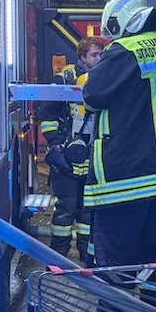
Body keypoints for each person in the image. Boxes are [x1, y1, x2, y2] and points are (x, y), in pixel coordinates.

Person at [81, 0, 156, 312]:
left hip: (125, 176)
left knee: (116, 251)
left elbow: (92, 96)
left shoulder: (124, 52)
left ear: (122, 23)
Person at [38, 36, 105, 266]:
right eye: (94, 55)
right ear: (82, 57)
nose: (99, 59)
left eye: (101, 54)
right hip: (66, 158)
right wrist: (57, 144)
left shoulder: (103, 79)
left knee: (88, 210)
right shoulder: (64, 80)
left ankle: (87, 255)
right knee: (65, 208)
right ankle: (58, 255)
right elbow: (47, 115)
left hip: (92, 157)